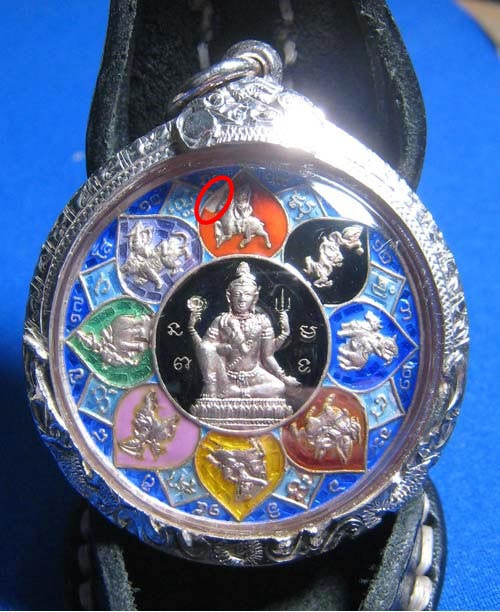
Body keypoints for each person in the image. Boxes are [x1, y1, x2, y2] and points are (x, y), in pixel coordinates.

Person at [187, 262, 299, 401]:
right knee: (206, 347)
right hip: (225, 375)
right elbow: (204, 349)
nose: (241, 299)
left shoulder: (262, 321)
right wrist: (222, 348)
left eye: (247, 294)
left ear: (255, 297)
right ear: (229, 296)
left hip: (255, 374)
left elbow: (268, 356)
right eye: (237, 294)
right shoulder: (221, 321)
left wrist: (283, 376)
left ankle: (236, 392)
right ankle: (221, 389)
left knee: (279, 387)